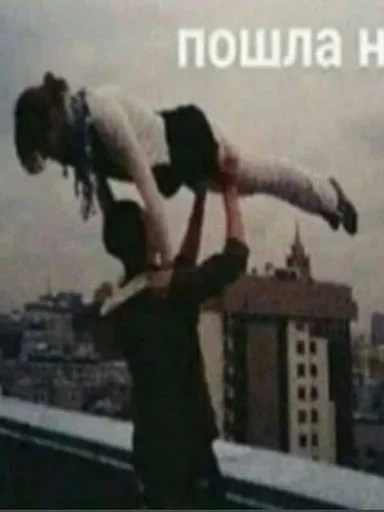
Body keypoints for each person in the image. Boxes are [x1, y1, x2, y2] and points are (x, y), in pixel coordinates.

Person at [14, 72, 357, 288]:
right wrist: (131, 261)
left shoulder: (102, 115)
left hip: (189, 140)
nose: (51, 156)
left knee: (258, 177)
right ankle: (326, 201)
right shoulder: (75, 143)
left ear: (53, 123)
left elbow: (148, 192)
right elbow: (109, 206)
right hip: (172, 164)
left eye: (47, 147)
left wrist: (165, 268)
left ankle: (331, 198)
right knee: (256, 180)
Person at [83, 173, 248, 508]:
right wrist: (230, 191)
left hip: (151, 450)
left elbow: (182, 265)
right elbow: (235, 258)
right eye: (149, 222)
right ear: (146, 238)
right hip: (188, 455)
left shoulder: (126, 302)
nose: (156, 226)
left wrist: (200, 201)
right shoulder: (167, 292)